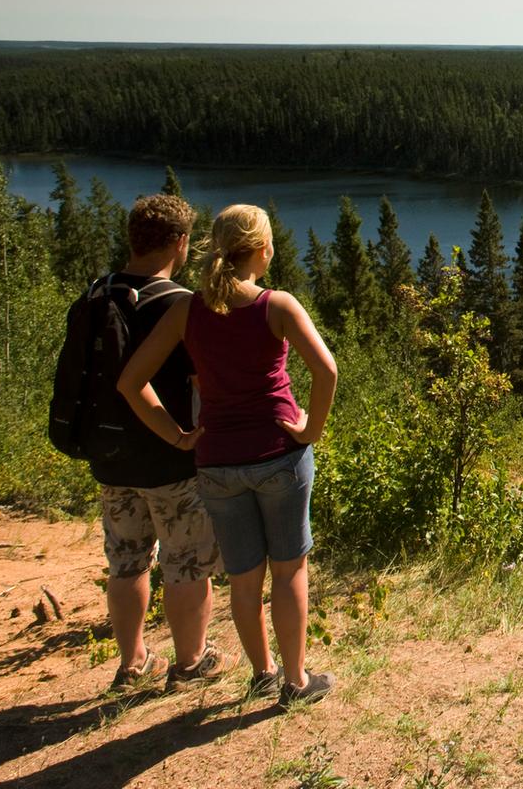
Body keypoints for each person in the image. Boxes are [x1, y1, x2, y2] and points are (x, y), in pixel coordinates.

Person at [119, 203, 338, 704]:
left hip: (216, 462)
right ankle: (294, 681)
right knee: (288, 571)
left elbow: (131, 382)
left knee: (244, 579)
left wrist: (177, 436)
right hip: (279, 454)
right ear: (263, 250)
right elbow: (326, 373)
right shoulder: (276, 305)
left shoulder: (187, 309)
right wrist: (311, 430)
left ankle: (261, 674)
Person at [93, 194, 223, 691]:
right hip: (170, 460)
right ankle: (190, 663)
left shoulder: (97, 295)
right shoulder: (180, 305)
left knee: (126, 561)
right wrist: (184, 436)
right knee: (186, 563)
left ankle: (131, 664)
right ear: (181, 242)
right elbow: (201, 381)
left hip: (112, 459)